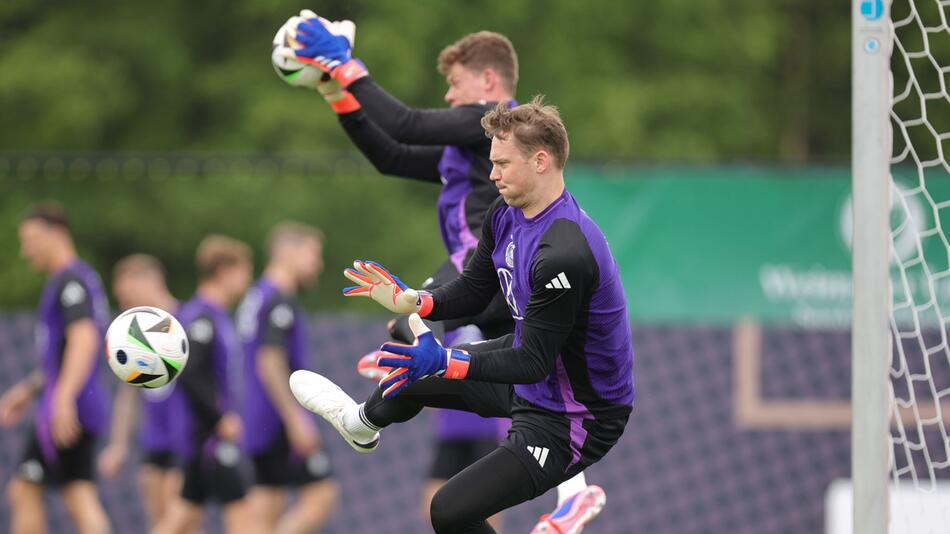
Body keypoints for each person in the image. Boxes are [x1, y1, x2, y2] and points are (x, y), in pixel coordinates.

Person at [277, 14, 604, 530]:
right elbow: (389, 154)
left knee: (414, 330)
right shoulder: (469, 148)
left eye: (455, 84)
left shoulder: (495, 125)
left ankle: (372, 410)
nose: (450, 97)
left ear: (489, 83)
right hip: (489, 273)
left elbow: (405, 123)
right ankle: (575, 491)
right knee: (536, 384)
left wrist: (345, 65)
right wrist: (334, 92)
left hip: (492, 267)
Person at [0, 202, 111, 534]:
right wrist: (30, 390)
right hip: (69, 402)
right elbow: (61, 354)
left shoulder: (72, 281)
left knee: (27, 490)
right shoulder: (68, 282)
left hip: (68, 409)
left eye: (32, 239)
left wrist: (62, 398)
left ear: (58, 233)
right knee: (75, 493)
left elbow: (84, 339)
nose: (26, 249)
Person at [235, 223, 339, 533]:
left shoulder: (256, 296)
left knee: (265, 507)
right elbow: (269, 361)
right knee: (322, 495)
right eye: (313, 254)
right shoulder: (278, 300)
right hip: (277, 419)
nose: (317, 264)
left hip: (258, 416)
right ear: (288, 253)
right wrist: (295, 419)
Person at [152, 235, 253, 534]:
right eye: (244, 271)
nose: (247, 280)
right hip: (206, 435)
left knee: (183, 516)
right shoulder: (201, 317)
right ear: (224, 270)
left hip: (203, 435)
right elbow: (190, 372)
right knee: (243, 513)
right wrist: (220, 416)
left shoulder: (216, 316)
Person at [97, 254, 182, 529]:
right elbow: (129, 393)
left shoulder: (187, 324)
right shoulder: (134, 337)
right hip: (154, 441)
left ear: (151, 281)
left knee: (180, 523)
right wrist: (118, 444)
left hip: (186, 440)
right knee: (157, 520)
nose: (126, 306)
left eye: (128, 298)